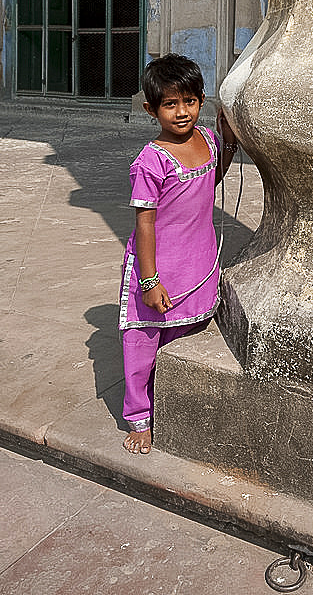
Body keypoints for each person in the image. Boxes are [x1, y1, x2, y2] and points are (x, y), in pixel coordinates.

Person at [119, 53, 238, 454]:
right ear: (152, 109)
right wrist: (149, 281)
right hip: (159, 267)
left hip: (198, 261)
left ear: (201, 100)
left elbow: (209, 178)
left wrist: (231, 141)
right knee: (144, 341)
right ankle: (138, 415)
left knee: (183, 335)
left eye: (189, 101)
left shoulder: (206, 140)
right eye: (170, 104)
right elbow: (145, 223)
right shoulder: (151, 162)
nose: (181, 112)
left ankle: (169, 404)